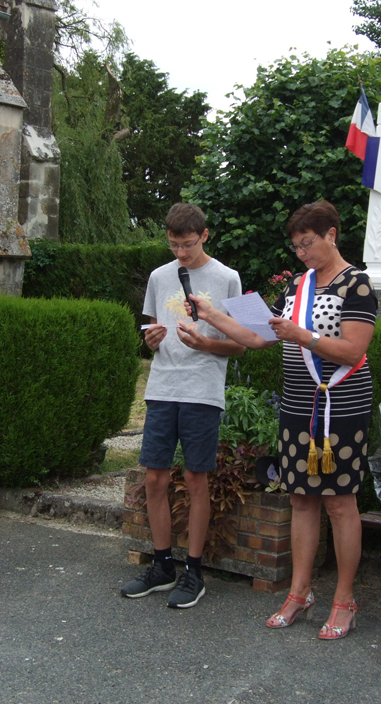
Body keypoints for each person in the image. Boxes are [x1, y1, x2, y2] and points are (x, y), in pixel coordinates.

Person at [188, 200, 376, 639]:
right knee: (300, 498)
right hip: (297, 404)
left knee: (339, 502)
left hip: (342, 404)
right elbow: (258, 336)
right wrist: (212, 315)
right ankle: (298, 593)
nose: (302, 253)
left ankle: (345, 600)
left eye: (307, 243)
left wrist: (303, 336)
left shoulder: (357, 284)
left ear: (331, 234)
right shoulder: (298, 284)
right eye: (295, 247)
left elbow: (352, 350)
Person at [120, 203, 245, 608]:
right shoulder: (159, 276)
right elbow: (150, 334)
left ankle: (194, 571)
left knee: (195, 480)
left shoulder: (228, 278)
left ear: (204, 235)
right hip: (161, 387)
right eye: (174, 245)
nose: (181, 253)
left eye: (188, 245)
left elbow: (244, 344)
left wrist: (208, 344)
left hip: (201, 390)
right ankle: (162, 565)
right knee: (153, 479)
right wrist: (151, 341)